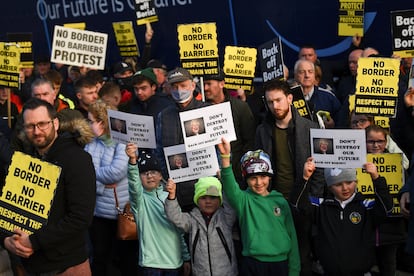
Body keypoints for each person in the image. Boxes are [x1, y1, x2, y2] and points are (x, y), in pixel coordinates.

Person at [2, 98, 96, 274]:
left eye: (42, 124)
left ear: (55, 123)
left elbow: (80, 218)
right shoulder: (25, 159)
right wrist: (7, 240)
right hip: (32, 265)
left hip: (67, 266)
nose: (37, 131)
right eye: (30, 126)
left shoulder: (77, 159)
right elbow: (10, 209)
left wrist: (34, 241)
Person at [255, 78, 325, 276]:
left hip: (303, 200)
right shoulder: (262, 130)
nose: (274, 106)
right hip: (274, 200)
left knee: (302, 253)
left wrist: (314, 198)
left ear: (290, 98)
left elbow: (320, 168)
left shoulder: (310, 128)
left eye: (278, 100)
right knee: (278, 252)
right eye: (270, 102)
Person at [217, 138, 300, 276]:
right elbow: (230, 187)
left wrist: (294, 270)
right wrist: (225, 158)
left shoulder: (280, 201)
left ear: (270, 177)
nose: (258, 182)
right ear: (246, 179)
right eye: (252, 178)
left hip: (281, 264)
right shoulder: (243, 200)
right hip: (253, 264)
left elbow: (292, 237)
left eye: (263, 176)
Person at [84, 100, 136, 276]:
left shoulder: (122, 142)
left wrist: (93, 176)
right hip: (98, 212)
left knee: (124, 258)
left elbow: (116, 172)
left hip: (120, 212)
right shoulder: (91, 143)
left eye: (91, 121)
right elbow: (85, 168)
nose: (88, 124)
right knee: (100, 257)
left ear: (102, 122)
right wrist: (99, 179)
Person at [311, 166, 393, 275]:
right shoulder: (320, 206)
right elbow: (297, 206)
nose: (345, 188)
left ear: (356, 181)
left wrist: (376, 178)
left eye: (349, 182)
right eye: (338, 184)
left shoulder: (366, 206)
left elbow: (387, 209)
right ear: (330, 187)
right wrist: (304, 179)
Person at [125, 143, 191, 275]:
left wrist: (186, 257)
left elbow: (178, 230)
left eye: (154, 172)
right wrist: (132, 161)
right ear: (139, 177)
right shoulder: (139, 200)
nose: (149, 176)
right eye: (144, 173)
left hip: (174, 263)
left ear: (161, 175)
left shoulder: (169, 196)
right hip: (151, 265)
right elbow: (134, 186)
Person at [156, 67, 209, 211]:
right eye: (174, 86)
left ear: (193, 85)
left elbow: (219, 148)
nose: (179, 90)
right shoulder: (164, 116)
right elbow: (160, 150)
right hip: (177, 190)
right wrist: (168, 177)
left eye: (183, 85)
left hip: (206, 188)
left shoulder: (207, 110)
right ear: (168, 88)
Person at [165, 176, 238, 276]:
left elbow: (232, 204)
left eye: (212, 197)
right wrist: (172, 195)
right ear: (196, 200)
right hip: (200, 272)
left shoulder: (225, 218)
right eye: (203, 197)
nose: (208, 201)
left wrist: (225, 183)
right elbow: (175, 216)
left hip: (226, 272)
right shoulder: (192, 220)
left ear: (220, 199)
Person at [364, 125, 407, 276]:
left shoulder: (397, 162)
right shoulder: (356, 161)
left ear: (386, 142)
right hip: (365, 227)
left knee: (388, 267)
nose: (375, 145)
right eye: (370, 141)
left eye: (380, 141)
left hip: (391, 228)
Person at [203, 69, 255, 184]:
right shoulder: (199, 109)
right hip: (208, 174)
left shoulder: (240, 107)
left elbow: (249, 140)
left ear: (222, 84)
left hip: (235, 173)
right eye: (204, 84)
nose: (205, 88)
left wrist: (239, 166)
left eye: (209, 84)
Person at [294, 59, 341, 128]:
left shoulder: (328, 97)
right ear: (295, 76)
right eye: (302, 72)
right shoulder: (288, 97)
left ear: (314, 75)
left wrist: (333, 125)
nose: (307, 75)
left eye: (310, 72)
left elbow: (341, 122)